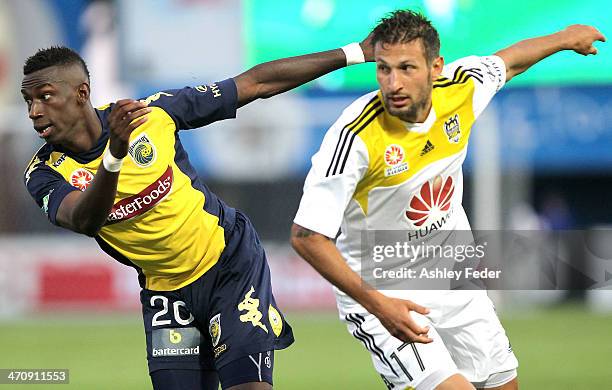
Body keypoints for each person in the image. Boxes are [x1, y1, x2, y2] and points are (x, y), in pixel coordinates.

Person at [22, 36, 374, 389]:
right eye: (29, 101)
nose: (34, 111)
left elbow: (254, 83)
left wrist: (356, 53)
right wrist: (114, 156)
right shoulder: (44, 172)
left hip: (228, 264)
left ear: (81, 93)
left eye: (45, 96)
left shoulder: (150, 116)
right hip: (166, 293)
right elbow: (85, 220)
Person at [291, 10, 605, 390]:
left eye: (407, 68)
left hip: (455, 278)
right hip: (382, 289)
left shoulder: (462, 88)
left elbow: (510, 61)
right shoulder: (355, 136)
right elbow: (307, 237)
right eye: (384, 69)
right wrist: (378, 304)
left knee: (506, 384)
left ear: (435, 67)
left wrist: (567, 36)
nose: (393, 83)